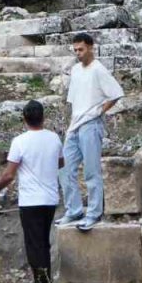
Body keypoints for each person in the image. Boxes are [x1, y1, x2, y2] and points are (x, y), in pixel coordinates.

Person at [56, 32, 125, 232]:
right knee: (64, 168)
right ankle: (74, 210)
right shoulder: (76, 70)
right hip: (75, 125)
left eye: (81, 49)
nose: (78, 53)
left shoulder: (98, 69)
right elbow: (74, 100)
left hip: (91, 125)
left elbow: (116, 94)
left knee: (91, 171)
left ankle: (94, 213)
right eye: (75, 50)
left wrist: (99, 112)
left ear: (91, 48)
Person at [0, 100, 64, 283]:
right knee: (43, 242)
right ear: (43, 118)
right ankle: (45, 279)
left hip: (31, 201)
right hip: (50, 199)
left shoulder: (19, 142)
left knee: (34, 246)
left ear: (24, 119)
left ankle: (42, 281)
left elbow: (9, 175)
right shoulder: (54, 138)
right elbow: (61, 162)